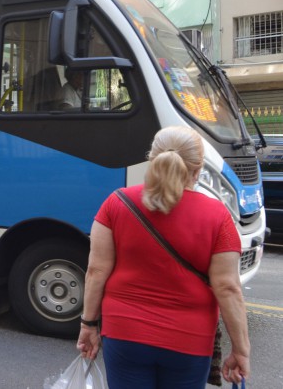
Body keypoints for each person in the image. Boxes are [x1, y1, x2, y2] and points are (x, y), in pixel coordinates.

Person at [77, 126, 250, 388]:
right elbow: (227, 287)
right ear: (198, 167)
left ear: (152, 158)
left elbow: (96, 271)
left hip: (124, 333)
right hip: (189, 340)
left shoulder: (116, 203)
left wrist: (88, 325)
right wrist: (241, 350)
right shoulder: (218, 216)